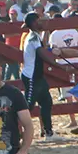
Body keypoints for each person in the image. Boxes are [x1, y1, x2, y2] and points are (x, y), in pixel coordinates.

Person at [20, 12, 61, 140]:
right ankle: (13, 131)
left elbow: (42, 46)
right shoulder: (32, 38)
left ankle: (48, 132)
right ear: (33, 23)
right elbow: (41, 53)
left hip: (37, 76)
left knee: (46, 102)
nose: (41, 22)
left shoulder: (35, 36)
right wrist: (58, 65)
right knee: (27, 106)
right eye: (39, 20)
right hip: (32, 76)